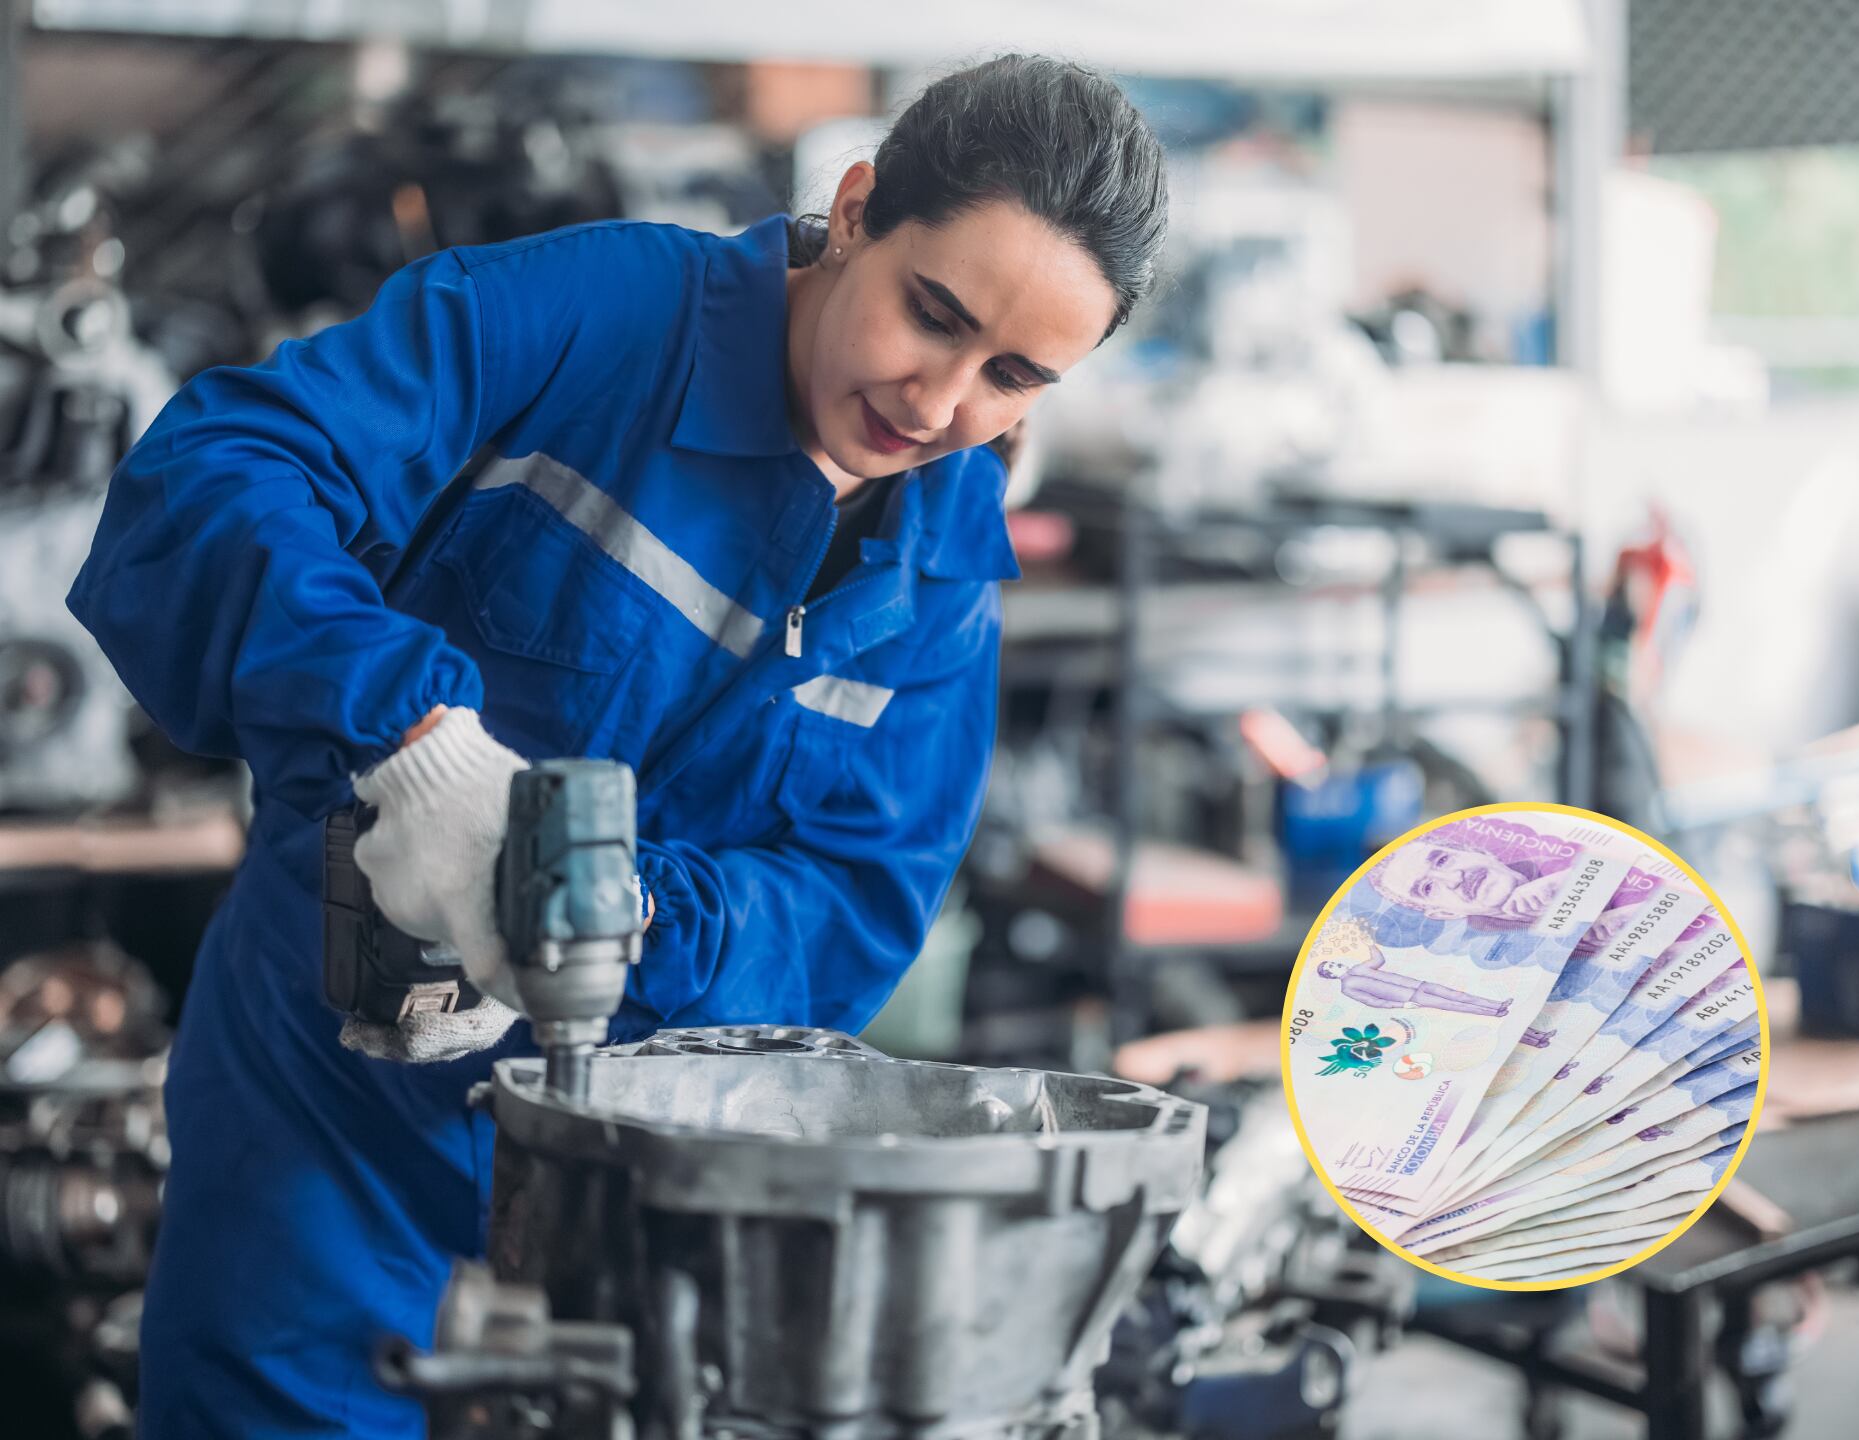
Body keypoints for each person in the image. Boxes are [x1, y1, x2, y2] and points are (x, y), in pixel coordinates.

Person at [67, 54, 1169, 1437]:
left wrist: (630, 912)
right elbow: (216, 472)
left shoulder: (939, 579)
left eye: (1013, 375)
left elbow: (854, 908)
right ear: (858, 208)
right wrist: (409, 736)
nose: (941, 404)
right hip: (332, 1137)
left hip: (649, 1219)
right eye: (931, 313)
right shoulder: (597, 319)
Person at [1367, 837, 1569, 924]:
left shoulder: (1567, 862)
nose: (1454, 878)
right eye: (1428, 888)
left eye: (1442, 860)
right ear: (1444, 913)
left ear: (1478, 851)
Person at [1315, 951, 1512, 1018]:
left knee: (1458, 995)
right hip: (1410, 997)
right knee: (1454, 1005)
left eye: (1333, 961)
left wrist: (1369, 943)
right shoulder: (1348, 988)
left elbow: (1378, 959)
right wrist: (1401, 1005)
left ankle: (1496, 1004)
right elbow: (1373, 1001)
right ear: (1330, 974)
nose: (1336, 963)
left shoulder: (1359, 968)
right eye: (1332, 966)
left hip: (1418, 984)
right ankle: (1494, 1012)